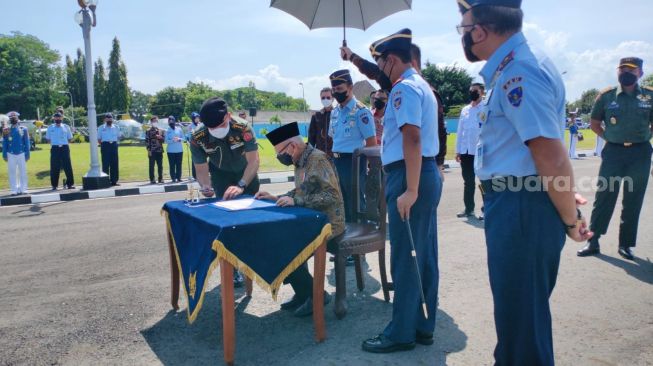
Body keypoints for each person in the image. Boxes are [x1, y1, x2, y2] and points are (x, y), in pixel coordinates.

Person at [455, 1, 593, 364]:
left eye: (462, 28)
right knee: (518, 318)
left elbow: (550, 155)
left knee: (522, 322)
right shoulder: (513, 66)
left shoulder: (520, 71)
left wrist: (569, 220)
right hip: (519, 205)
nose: (463, 36)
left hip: (521, 209)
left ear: (479, 30)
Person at [360, 28, 442, 353]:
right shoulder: (421, 86)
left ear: (391, 59)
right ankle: (422, 325)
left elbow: (412, 137)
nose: (380, 69)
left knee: (406, 258)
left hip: (409, 176)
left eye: (380, 62)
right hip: (422, 172)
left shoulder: (403, 89)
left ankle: (401, 333)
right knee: (423, 256)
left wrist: (409, 188)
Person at [255, 122, 345, 317]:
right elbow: (301, 190)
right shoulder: (301, 160)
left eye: (280, 152)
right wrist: (276, 198)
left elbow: (332, 196)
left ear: (293, 146)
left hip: (329, 223)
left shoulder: (317, 159)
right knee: (276, 242)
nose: (280, 157)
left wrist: (296, 200)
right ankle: (304, 293)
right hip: (311, 221)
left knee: (285, 248)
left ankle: (316, 295)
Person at [577, 57, 652, 260]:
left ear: (640, 73)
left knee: (633, 198)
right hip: (614, 152)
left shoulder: (649, 96)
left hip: (640, 153)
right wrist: (608, 137)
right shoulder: (606, 96)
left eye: (631, 69)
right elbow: (594, 123)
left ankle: (626, 244)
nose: (626, 72)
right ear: (618, 71)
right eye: (622, 69)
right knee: (604, 196)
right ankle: (593, 241)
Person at [341, 43, 448, 178]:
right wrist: (351, 56)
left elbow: (438, 131)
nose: (387, 70)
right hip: (403, 166)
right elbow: (375, 72)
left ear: (411, 63)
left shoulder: (413, 89)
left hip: (416, 167)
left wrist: (439, 164)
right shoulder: (407, 85)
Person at [190, 97, 261, 288]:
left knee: (250, 221)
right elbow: (201, 168)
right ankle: (234, 269)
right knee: (228, 225)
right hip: (220, 174)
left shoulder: (242, 128)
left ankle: (255, 261)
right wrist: (205, 186)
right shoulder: (198, 136)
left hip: (246, 173)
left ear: (228, 116)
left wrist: (241, 184)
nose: (216, 130)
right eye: (211, 127)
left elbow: (254, 161)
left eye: (220, 125)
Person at [328, 69, 377, 222]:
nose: (336, 93)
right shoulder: (335, 112)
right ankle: (346, 233)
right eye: (334, 89)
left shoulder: (361, 112)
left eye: (340, 89)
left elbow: (371, 142)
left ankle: (360, 236)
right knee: (340, 200)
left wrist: (370, 168)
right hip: (337, 161)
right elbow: (333, 137)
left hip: (354, 162)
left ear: (350, 87)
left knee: (355, 201)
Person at [455, 83, 484, 218]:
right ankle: (469, 209)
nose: (472, 93)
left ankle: (486, 210)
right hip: (466, 151)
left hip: (481, 151)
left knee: (484, 181)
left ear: (482, 92)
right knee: (468, 181)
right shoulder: (465, 109)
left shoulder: (486, 107)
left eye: (475, 91)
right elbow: (460, 131)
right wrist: (458, 150)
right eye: (471, 90)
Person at [2, 111, 30, 195]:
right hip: (10, 153)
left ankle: (23, 188)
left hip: (21, 153)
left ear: (17, 118)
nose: (13, 119)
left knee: (23, 172)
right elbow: (5, 142)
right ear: (9, 119)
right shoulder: (6, 130)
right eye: (11, 118)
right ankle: (14, 189)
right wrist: (4, 154)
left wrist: (27, 153)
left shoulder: (23, 129)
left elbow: (26, 142)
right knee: (12, 172)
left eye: (15, 117)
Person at [45, 112, 75, 190]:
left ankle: (70, 184)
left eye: (59, 117)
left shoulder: (66, 127)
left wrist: (62, 144)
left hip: (64, 148)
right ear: (54, 118)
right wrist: (56, 144)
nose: (58, 119)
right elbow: (48, 140)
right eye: (56, 118)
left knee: (67, 166)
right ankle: (54, 185)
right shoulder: (50, 127)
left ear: (62, 118)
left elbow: (70, 138)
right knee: (54, 166)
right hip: (55, 148)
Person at [307, 87, 335, 159]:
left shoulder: (338, 114)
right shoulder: (316, 116)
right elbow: (311, 138)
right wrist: (309, 154)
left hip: (335, 156)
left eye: (328, 97)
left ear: (333, 98)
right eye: (323, 98)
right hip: (320, 156)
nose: (325, 99)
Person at [98, 113, 121, 186]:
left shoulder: (116, 127)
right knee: (105, 163)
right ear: (105, 119)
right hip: (105, 145)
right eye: (108, 119)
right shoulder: (101, 128)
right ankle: (106, 181)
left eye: (111, 119)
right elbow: (99, 139)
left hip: (114, 145)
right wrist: (104, 144)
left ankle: (114, 181)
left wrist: (115, 143)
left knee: (114, 163)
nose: (109, 121)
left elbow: (119, 136)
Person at [165, 116, 185, 183]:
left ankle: (179, 177)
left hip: (179, 150)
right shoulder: (167, 130)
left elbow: (184, 138)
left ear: (174, 121)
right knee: (172, 165)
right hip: (170, 151)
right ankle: (173, 178)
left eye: (172, 120)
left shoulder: (179, 129)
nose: (171, 122)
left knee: (179, 164)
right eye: (169, 120)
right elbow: (166, 141)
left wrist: (179, 139)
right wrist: (173, 140)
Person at [145, 116, 164, 184]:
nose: (155, 122)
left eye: (156, 121)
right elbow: (147, 141)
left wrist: (160, 137)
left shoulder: (161, 130)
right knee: (151, 166)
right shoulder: (148, 131)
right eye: (153, 121)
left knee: (160, 166)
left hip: (159, 150)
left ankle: (160, 178)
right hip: (152, 151)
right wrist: (148, 150)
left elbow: (163, 140)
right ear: (151, 122)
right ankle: (152, 179)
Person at [187, 112, 203, 180]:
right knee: (195, 159)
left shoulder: (201, 125)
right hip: (194, 144)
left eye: (198, 118)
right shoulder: (190, 126)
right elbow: (189, 135)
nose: (197, 119)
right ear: (193, 119)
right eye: (196, 118)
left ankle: (202, 174)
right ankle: (195, 175)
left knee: (202, 159)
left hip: (201, 145)